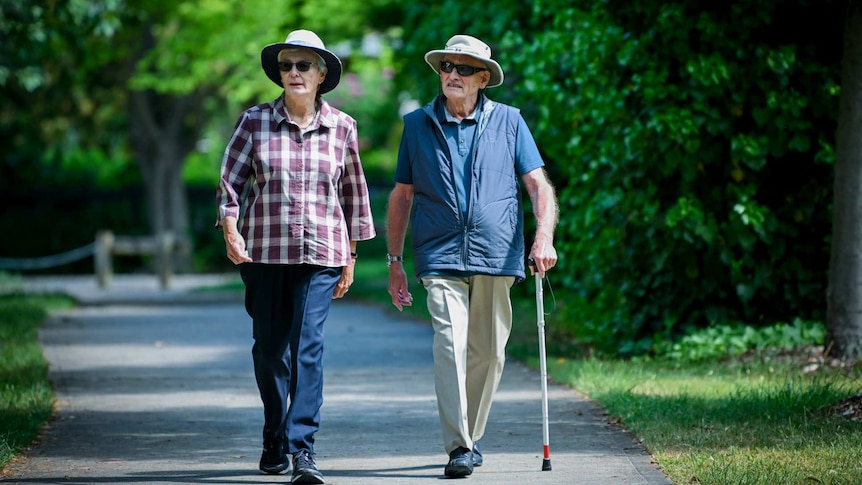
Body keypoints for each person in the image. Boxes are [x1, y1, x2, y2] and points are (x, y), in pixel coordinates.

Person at [386, 34, 559, 478]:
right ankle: (459, 445)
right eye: (447, 67)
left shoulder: (510, 121)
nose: (452, 76)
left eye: (463, 69)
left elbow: (538, 186)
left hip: (496, 252)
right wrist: (395, 261)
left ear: (484, 78)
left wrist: (543, 238)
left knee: (489, 353)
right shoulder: (416, 125)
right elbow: (402, 195)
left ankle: (471, 435)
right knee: (449, 343)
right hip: (438, 253)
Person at [216, 29, 375, 485]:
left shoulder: (343, 126)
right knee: (269, 353)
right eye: (286, 66)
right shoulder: (254, 122)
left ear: (321, 74)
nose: (293, 73)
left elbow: (353, 192)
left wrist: (350, 256)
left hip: (322, 252)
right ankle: (275, 433)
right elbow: (230, 183)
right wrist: (230, 228)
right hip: (265, 252)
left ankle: (302, 448)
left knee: (309, 347)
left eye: (303, 65)